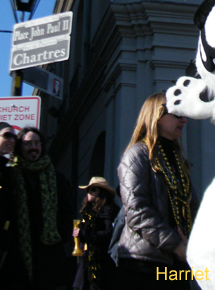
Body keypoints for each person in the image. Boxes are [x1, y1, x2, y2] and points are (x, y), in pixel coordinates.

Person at [117, 92, 197, 289]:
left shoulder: (178, 160)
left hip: (177, 262)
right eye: (177, 114)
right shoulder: (137, 155)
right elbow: (136, 212)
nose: (184, 120)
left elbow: (192, 206)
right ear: (157, 116)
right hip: (144, 265)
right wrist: (175, 244)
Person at [7, 127, 71, 290]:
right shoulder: (10, 177)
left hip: (50, 256)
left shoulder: (57, 178)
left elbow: (66, 212)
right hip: (19, 256)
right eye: (28, 143)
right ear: (20, 147)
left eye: (37, 143)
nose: (34, 147)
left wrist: (60, 235)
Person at [72, 176, 119, 290]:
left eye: (94, 190)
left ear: (102, 192)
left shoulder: (108, 210)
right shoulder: (89, 210)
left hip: (100, 261)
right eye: (88, 190)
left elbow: (109, 233)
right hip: (86, 258)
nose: (89, 192)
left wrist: (87, 235)